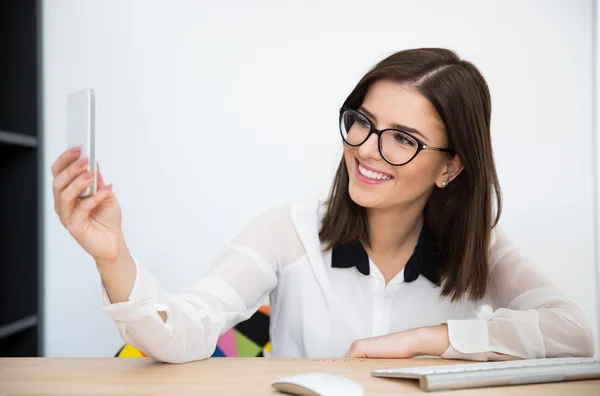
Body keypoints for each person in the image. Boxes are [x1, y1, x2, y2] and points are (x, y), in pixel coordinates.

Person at [51, 48, 595, 363]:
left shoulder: (480, 247)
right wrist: (111, 254)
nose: (365, 149)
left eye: (403, 139)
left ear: (450, 167)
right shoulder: (286, 230)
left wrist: (423, 341)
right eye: (362, 123)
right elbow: (182, 332)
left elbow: (573, 334)